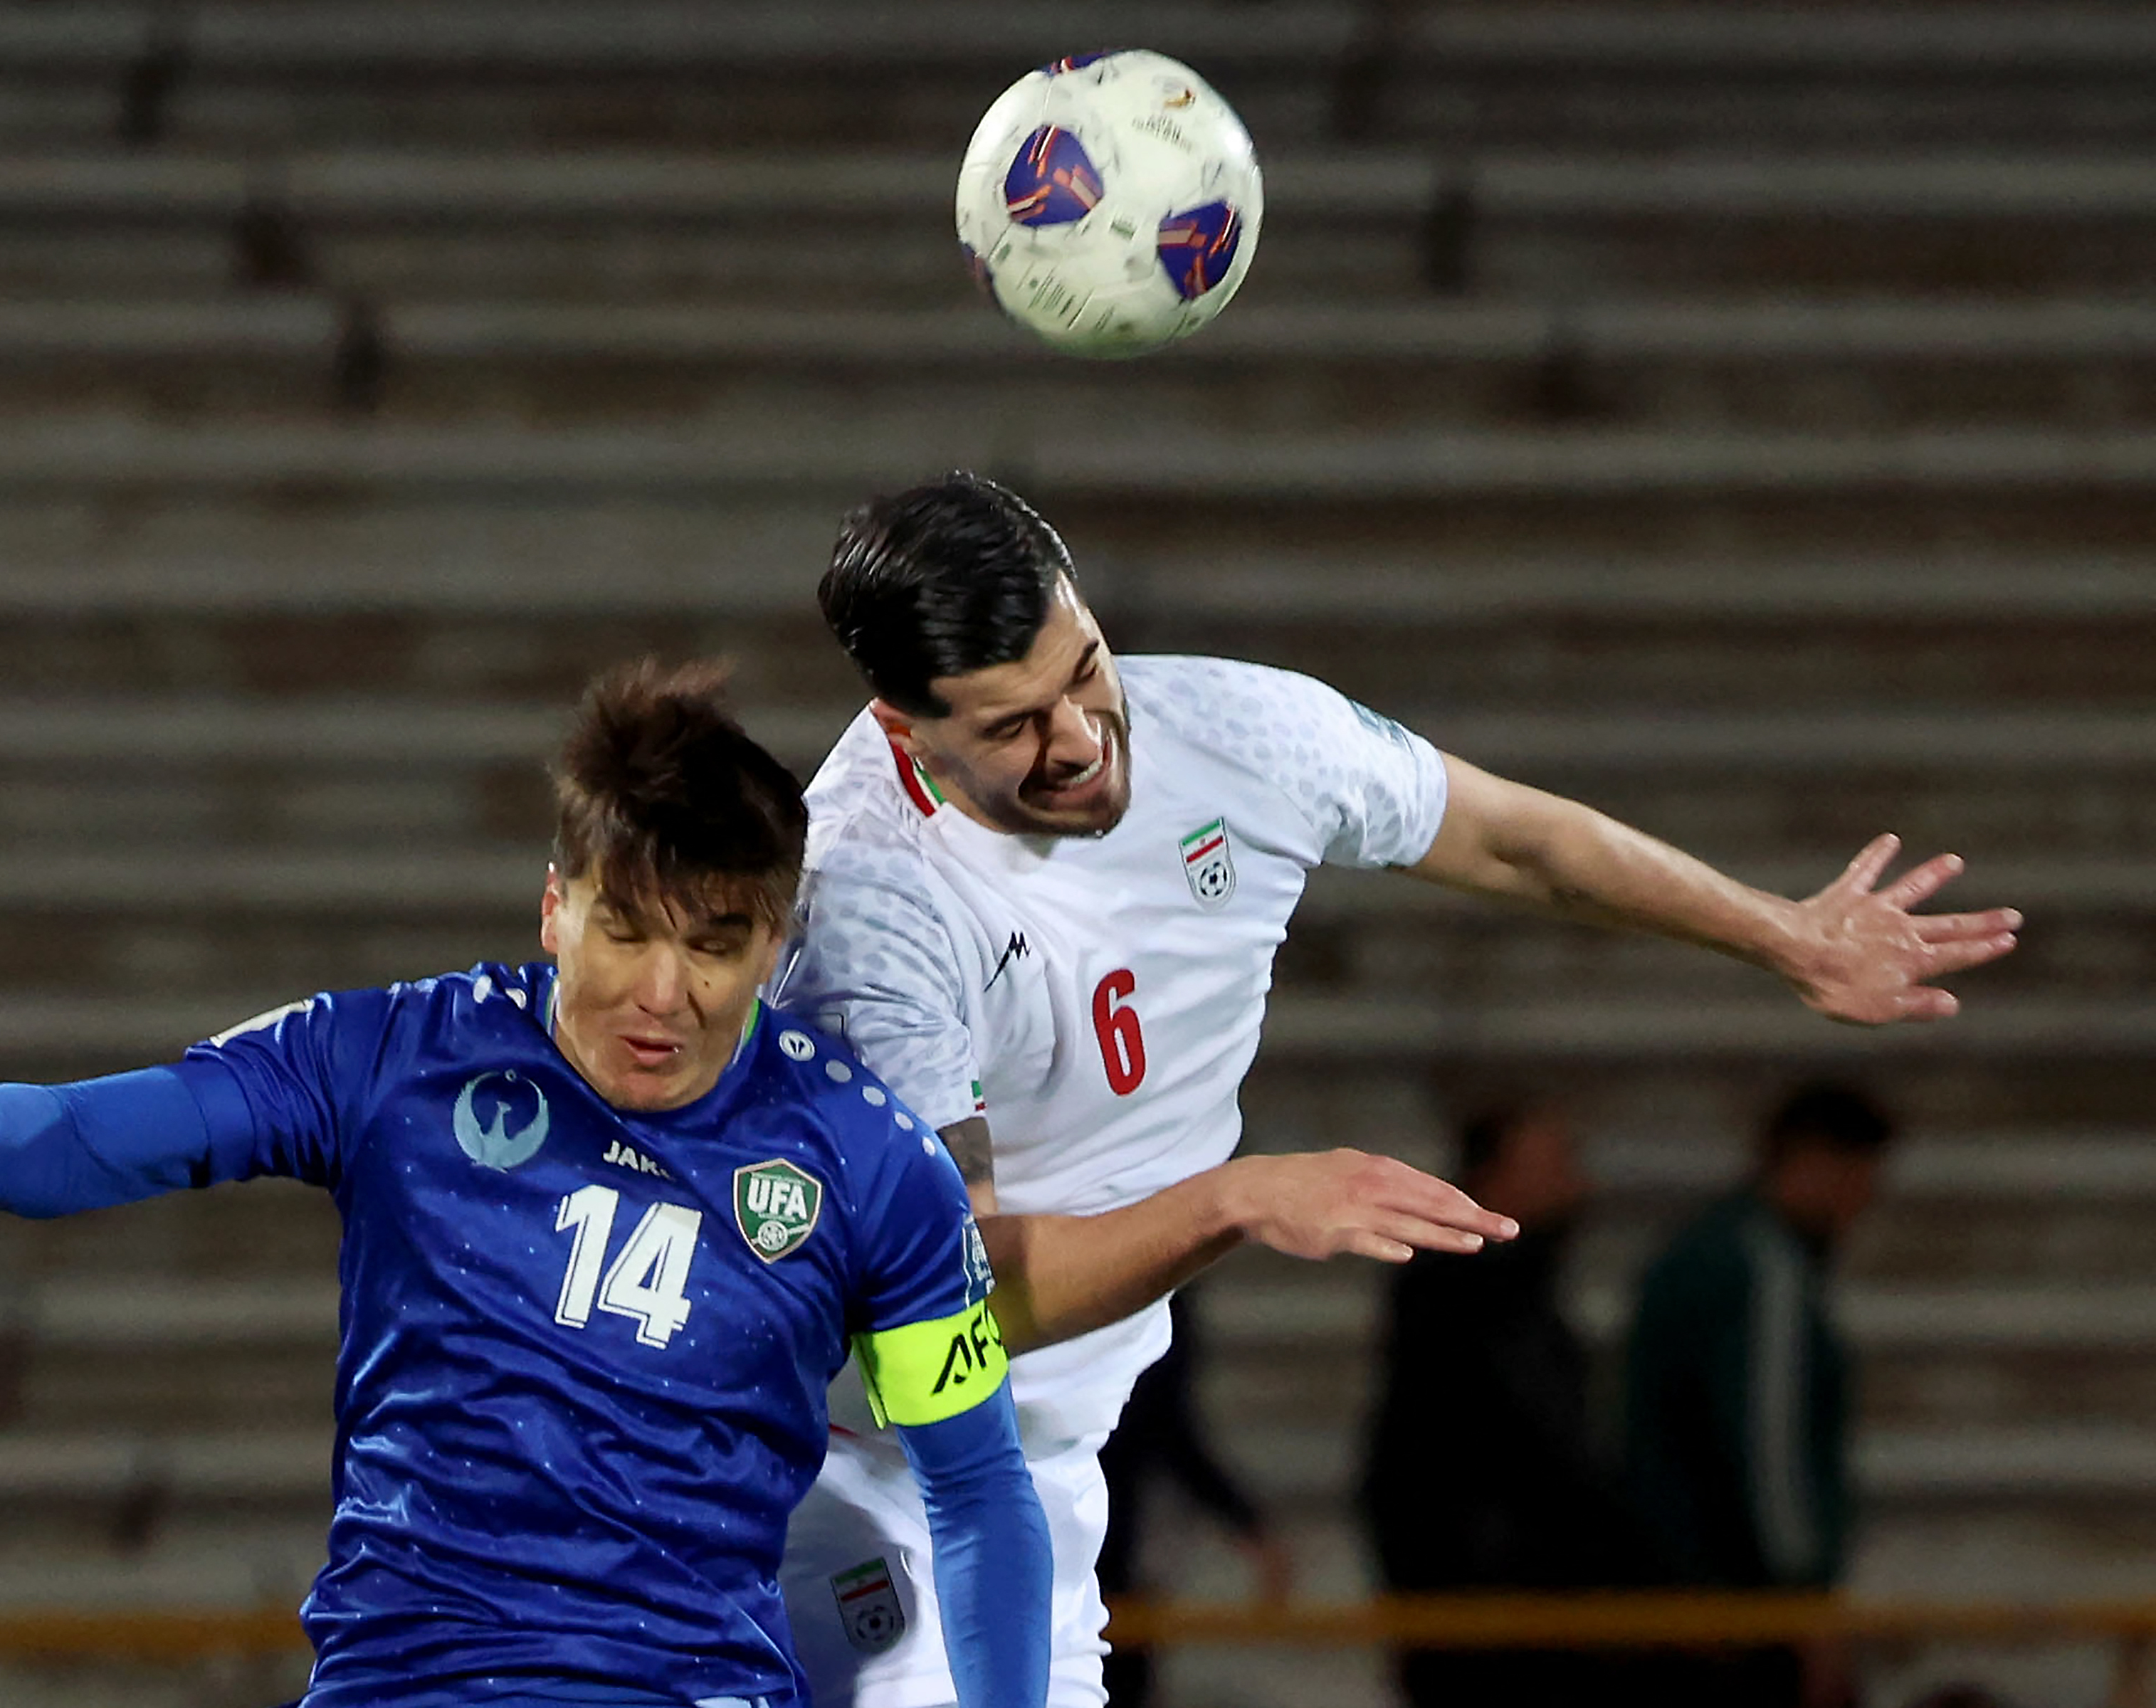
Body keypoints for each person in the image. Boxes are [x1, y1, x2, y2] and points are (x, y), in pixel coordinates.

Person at [769, 472, 2019, 1708]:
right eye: (1013, 726)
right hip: (853, 1471)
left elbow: (1514, 839)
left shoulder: (1235, 732)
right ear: (905, 732)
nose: (1084, 739)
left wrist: (1783, 935)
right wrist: (1234, 1201)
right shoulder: (868, 914)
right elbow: (940, 1313)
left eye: (1083, 668)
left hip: (1039, 1462)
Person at [0, 661, 1056, 1708]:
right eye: (626, 929)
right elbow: (96, 1138)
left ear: (773, 946)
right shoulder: (398, 1058)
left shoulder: (872, 1164)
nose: (665, 993)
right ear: (554, 907)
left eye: (715, 946)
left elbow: (979, 1487)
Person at [1360, 1102, 1644, 1708]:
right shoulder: (1466, 1297)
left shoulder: (1513, 1293)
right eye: (1554, 1164)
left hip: (1516, 1603)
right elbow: (1528, 1449)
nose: (1576, 1184)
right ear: (1490, 1179)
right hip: (1492, 1610)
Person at [1623, 1083, 1896, 1708]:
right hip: (1738, 1609)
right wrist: (1803, 1600)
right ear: (1813, 1160)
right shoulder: (1760, 1268)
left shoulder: (1709, 1252)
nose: (1865, 1201)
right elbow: (1769, 1447)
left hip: (1693, 1594)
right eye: (1860, 1177)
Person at [1095, 1286, 1290, 1708]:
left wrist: (1246, 1524)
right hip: (1078, 1561)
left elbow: (1164, 1430)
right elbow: (1163, 1430)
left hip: (1098, 1566)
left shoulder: (1157, 1301)